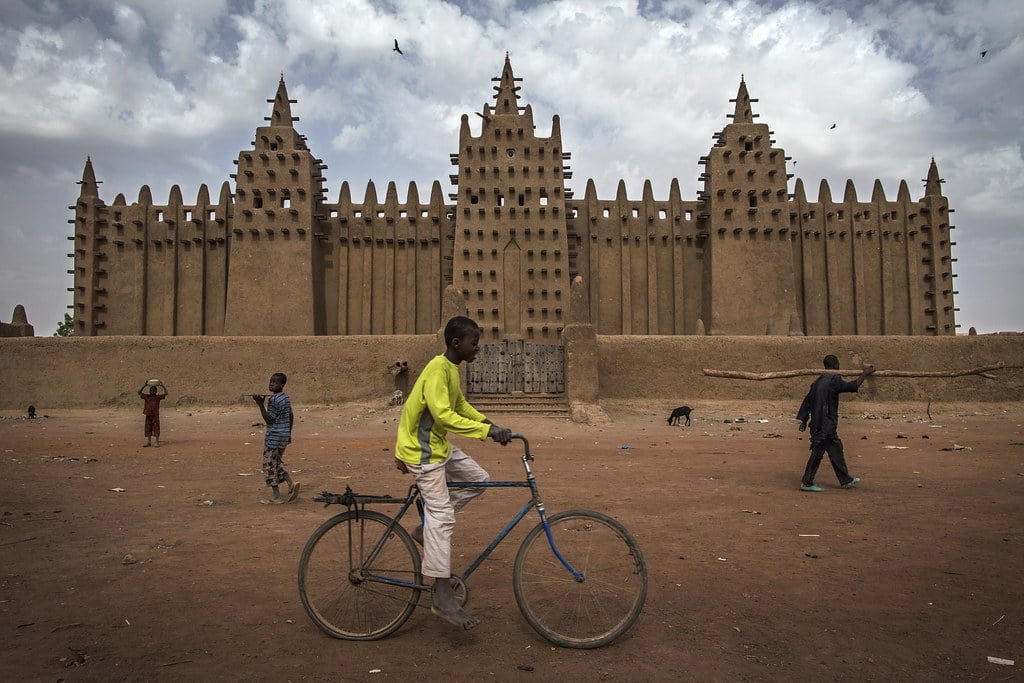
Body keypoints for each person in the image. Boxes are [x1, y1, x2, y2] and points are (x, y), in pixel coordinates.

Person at [393, 316, 513, 630]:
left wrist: (490, 424)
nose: (478, 349)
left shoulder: (450, 370)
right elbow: (445, 417)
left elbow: (459, 405)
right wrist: (487, 433)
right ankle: (441, 595)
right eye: (474, 343)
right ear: (456, 343)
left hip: (438, 447)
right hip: (423, 452)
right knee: (443, 517)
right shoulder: (436, 370)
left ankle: (426, 529)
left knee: (479, 479)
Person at [796, 355, 875, 491]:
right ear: (836, 365)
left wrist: (804, 420)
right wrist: (865, 373)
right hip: (826, 423)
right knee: (818, 452)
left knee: (835, 448)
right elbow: (853, 386)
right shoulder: (833, 379)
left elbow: (807, 401)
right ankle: (807, 482)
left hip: (820, 423)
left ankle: (845, 480)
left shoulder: (817, 381)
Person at [253, 372, 299, 505]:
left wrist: (260, 404)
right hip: (283, 437)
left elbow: (269, 420)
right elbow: (290, 416)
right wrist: (289, 434)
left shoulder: (273, 400)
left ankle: (276, 496)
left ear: (282, 385)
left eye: (275, 382)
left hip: (273, 438)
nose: (272, 384)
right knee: (276, 462)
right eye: (271, 382)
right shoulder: (286, 397)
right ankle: (291, 483)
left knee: (269, 466)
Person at [137, 380, 168, 447]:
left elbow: (166, 393)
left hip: (155, 415)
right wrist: (144, 385)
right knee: (148, 428)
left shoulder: (158, 397)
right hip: (148, 414)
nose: (152, 391)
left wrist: (162, 386)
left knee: (156, 428)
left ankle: (157, 442)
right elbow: (139, 392)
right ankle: (149, 442)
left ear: (156, 391)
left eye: (154, 390)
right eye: (151, 390)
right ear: (149, 391)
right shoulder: (146, 397)